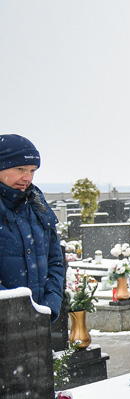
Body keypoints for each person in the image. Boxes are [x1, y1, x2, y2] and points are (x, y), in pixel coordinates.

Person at [0, 134, 65, 320]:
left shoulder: (38, 205)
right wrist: (12, 310)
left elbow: (55, 260)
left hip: (36, 324)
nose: (27, 177)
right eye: (20, 169)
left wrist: (50, 304)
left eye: (32, 170)